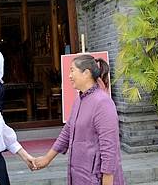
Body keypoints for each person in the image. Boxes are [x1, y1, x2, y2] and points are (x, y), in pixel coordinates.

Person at [34, 55, 124, 185]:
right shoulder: (79, 100)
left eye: (72, 70)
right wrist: (47, 158)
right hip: (79, 175)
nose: (69, 76)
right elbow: (67, 131)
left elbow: (110, 149)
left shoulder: (103, 103)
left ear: (86, 73)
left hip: (96, 178)